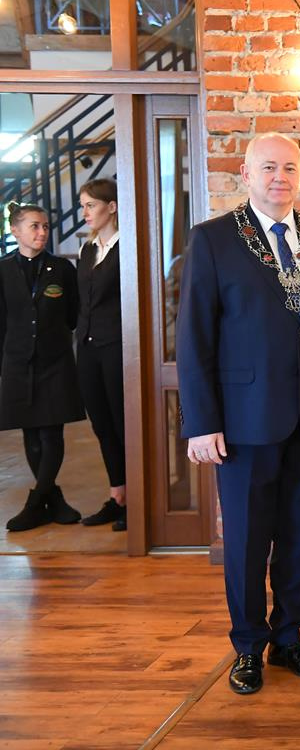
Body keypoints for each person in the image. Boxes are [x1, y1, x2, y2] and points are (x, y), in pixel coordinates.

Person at [177, 133, 300, 695]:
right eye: (268, 167)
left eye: (289, 168)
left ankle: (289, 637)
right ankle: (248, 646)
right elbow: (194, 337)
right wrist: (201, 422)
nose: (280, 177)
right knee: (247, 539)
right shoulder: (212, 240)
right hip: (243, 418)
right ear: (246, 174)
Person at [1, 202, 86, 532]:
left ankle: (36, 502)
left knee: (52, 432)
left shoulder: (62, 269)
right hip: (17, 362)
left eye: (45, 226)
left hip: (56, 361)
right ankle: (53, 500)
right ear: (15, 230)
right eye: (34, 226)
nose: (42, 232)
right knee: (31, 432)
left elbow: (73, 315)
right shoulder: (3, 270)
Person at [74, 179, 128, 532]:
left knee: (124, 424)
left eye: (90, 205)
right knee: (102, 424)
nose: (85, 212)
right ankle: (118, 494)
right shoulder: (87, 249)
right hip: (88, 349)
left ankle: (137, 499)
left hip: (117, 347)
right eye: (83, 206)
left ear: (111, 207)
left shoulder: (127, 246)